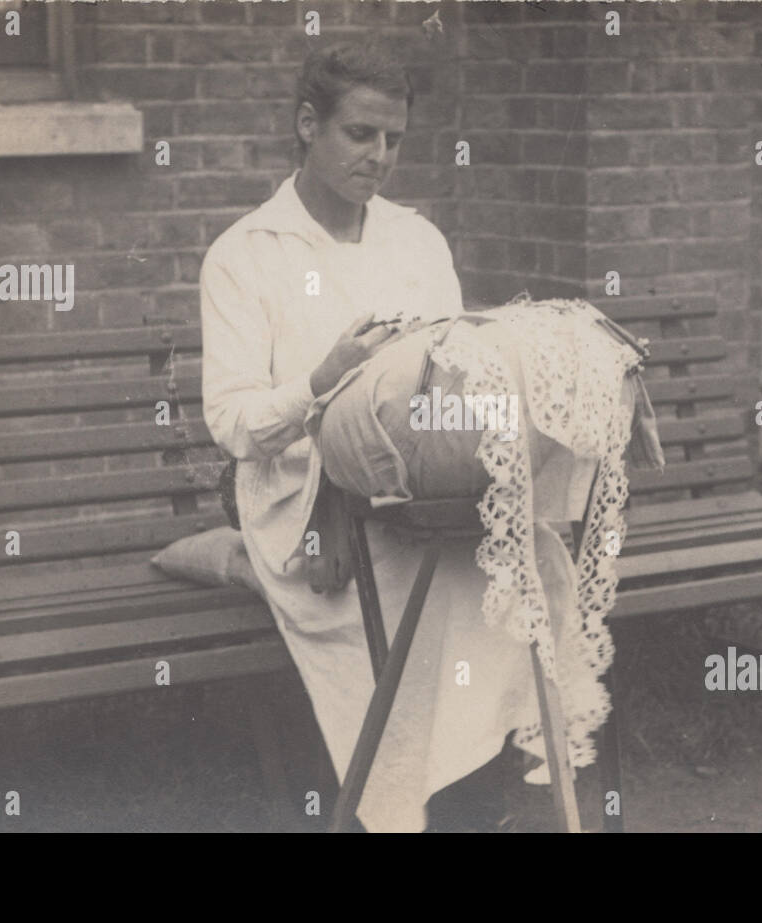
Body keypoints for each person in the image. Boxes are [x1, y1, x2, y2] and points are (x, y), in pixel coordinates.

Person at [199, 41, 546, 832]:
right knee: (397, 600)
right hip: (306, 500)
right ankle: (393, 806)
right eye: (360, 135)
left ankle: (466, 805)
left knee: (493, 582)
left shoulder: (416, 241)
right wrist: (324, 380)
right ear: (306, 125)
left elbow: (454, 369)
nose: (380, 156)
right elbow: (231, 421)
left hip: (417, 489)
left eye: (394, 139)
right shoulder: (247, 256)